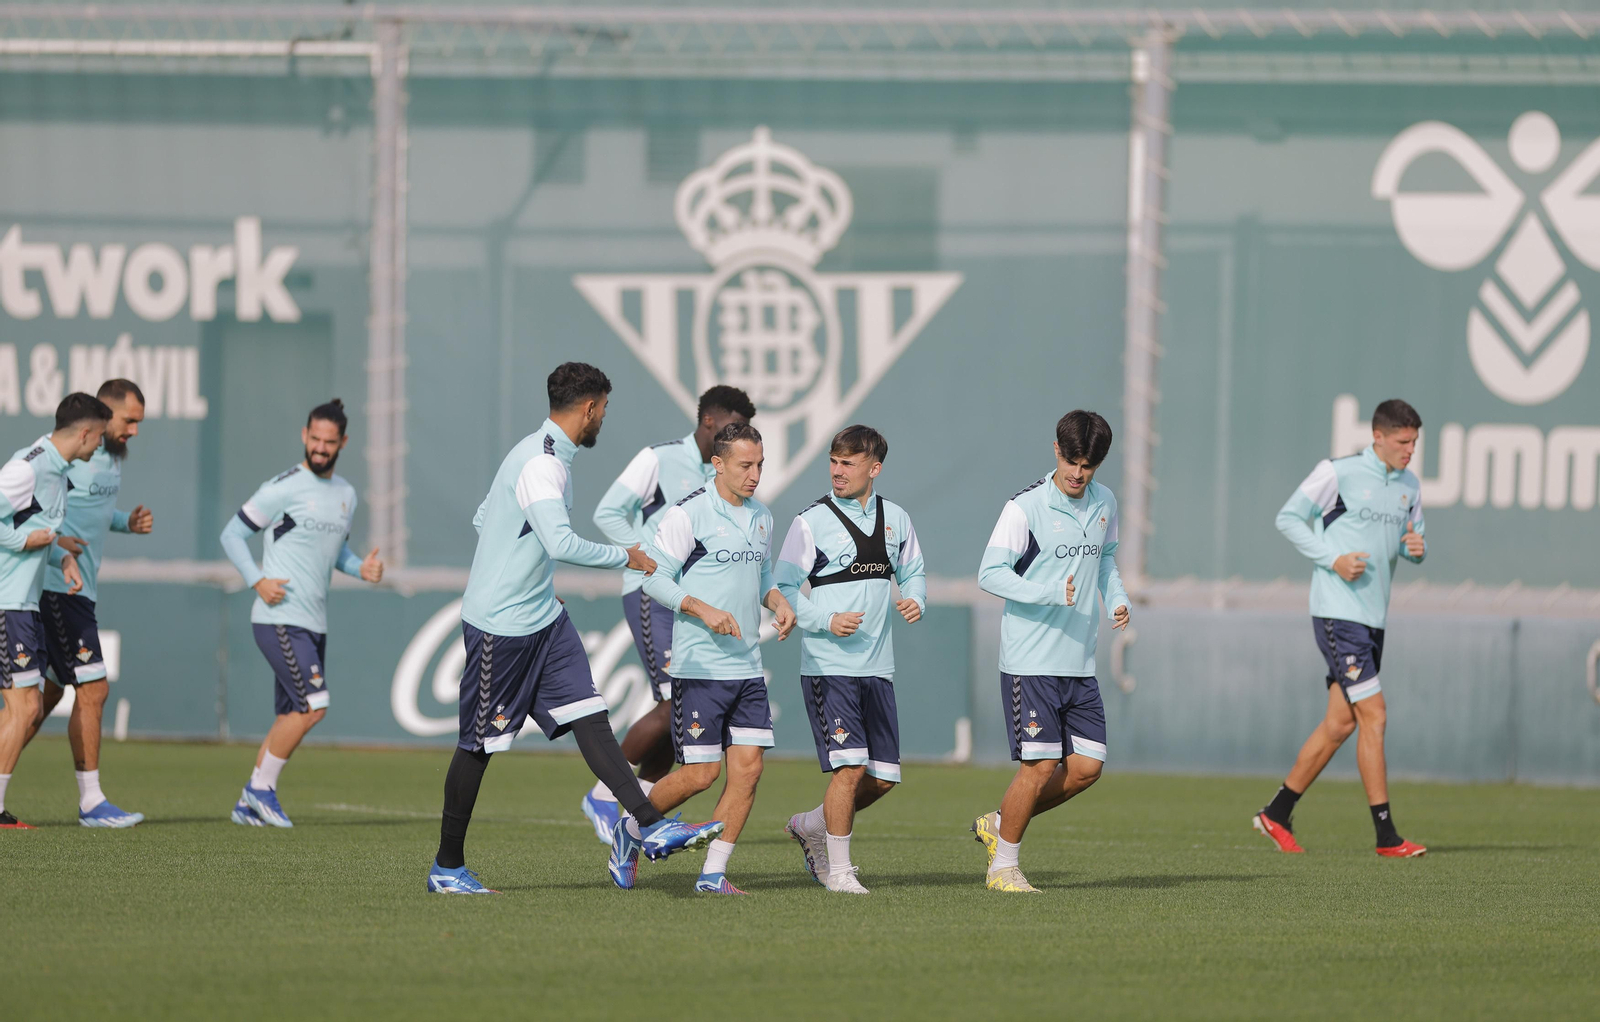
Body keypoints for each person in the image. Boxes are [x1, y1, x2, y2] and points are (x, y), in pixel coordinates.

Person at [426, 362, 724, 895]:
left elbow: (484, 519)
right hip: (502, 627)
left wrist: (532, 575)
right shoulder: (541, 465)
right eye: (604, 409)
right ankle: (447, 867)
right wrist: (627, 556)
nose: (604, 419)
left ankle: (649, 826)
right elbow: (560, 543)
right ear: (588, 408)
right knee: (478, 745)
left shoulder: (543, 455)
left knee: (591, 715)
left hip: (543, 616)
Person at [1253, 399, 1429, 858]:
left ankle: (1276, 813)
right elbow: (1288, 517)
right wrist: (1332, 559)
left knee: (1340, 723)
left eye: (1414, 442)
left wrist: (1415, 548)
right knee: (1375, 714)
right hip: (1337, 611)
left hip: (1374, 617)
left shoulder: (1410, 484)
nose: (1410, 450)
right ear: (1378, 437)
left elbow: (1412, 541)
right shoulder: (1339, 472)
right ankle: (1387, 836)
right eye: (1403, 441)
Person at [580, 385, 756, 843]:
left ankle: (638, 813)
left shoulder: (729, 471)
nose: (737, 436)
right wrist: (644, 555)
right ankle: (604, 792)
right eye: (731, 426)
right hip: (652, 592)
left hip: (693, 600)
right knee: (669, 701)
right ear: (710, 421)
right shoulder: (658, 458)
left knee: (675, 720)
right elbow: (607, 512)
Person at [970, 410, 1130, 893]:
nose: (1079, 474)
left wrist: (1117, 598)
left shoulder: (1105, 503)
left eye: (1090, 466)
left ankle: (999, 822)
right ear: (1056, 451)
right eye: (1073, 462)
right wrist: (1045, 591)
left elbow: (1105, 561)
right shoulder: (1025, 508)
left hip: (1079, 660)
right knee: (1038, 767)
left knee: (1086, 768)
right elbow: (990, 573)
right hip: (1031, 660)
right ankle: (1004, 870)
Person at [635, 421, 796, 894]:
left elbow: (763, 575)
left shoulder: (762, 516)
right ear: (718, 464)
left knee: (748, 771)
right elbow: (654, 578)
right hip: (700, 667)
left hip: (747, 667)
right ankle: (629, 832)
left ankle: (712, 875)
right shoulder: (688, 515)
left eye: (761, 465)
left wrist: (779, 602)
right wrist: (700, 608)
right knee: (701, 775)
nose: (755, 474)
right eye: (746, 465)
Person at [219, 399, 384, 828]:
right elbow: (232, 533)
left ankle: (245, 803)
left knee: (290, 713)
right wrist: (257, 579)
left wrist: (360, 567)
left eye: (330, 442)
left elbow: (337, 552)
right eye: (315, 439)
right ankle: (261, 790)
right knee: (313, 705)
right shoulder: (283, 487)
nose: (321, 448)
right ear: (304, 436)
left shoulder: (346, 494)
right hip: (278, 616)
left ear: (343, 442)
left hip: (314, 621)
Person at [775, 425, 925, 895]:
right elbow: (780, 591)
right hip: (828, 666)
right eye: (834, 462)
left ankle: (810, 825)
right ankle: (838, 871)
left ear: (874, 468)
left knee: (881, 780)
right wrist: (824, 619)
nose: (838, 471)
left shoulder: (896, 518)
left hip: (878, 668)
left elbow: (914, 570)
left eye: (849, 463)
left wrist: (915, 598)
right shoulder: (810, 521)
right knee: (851, 769)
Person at [22, 379, 154, 827]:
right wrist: (57, 550)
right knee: (94, 689)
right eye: (128, 421)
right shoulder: (71, 457)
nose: (134, 430)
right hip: (60, 587)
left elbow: (90, 513)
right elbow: (33, 513)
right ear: (103, 416)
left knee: (38, 704)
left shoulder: (111, 460)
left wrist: (125, 524)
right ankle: (92, 802)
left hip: (83, 590)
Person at [0, 393, 107, 828]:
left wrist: (61, 556)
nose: (100, 445)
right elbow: (18, 533)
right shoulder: (29, 466)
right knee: (25, 709)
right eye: (99, 436)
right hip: (7, 604)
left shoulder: (58, 471)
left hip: (24, 605)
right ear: (84, 433)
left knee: (23, 708)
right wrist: (27, 543)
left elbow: (37, 527)